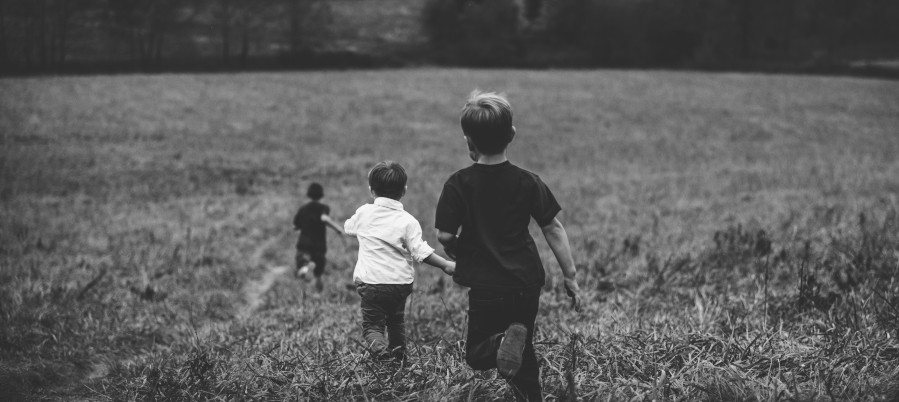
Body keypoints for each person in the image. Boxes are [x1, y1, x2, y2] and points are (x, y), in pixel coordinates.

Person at [435, 90, 582, 401]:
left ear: (468, 140)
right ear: (511, 135)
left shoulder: (459, 183)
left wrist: (465, 252)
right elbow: (553, 228)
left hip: (486, 286)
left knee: (478, 353)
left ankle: (501, 340)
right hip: (526, 284)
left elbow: (445, 237)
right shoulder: (528, 181)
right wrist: (570, 275)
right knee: (521, 351)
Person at [345, 161, 456, 360]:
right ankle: (399, 359)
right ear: (404, 190)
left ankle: (381, 354)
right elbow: (420, 251)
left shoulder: (364, 213)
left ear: (371, 190)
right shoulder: (408, 221)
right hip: (400, 284)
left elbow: (349, 228)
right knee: (396, 322)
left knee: (372, 326)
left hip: (371, 283)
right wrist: (446, 264)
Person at [293, 182, 344, 291]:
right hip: (319, 246)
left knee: (301, 264)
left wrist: (299, 226)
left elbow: (296, 225)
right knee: (319, 273)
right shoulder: (323, 207)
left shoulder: (303, 209)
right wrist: (338, 229)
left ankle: (305, 269)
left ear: (309, 194)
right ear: (321, 195)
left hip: (304, 244)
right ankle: (318, 293)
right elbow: (324, 218)